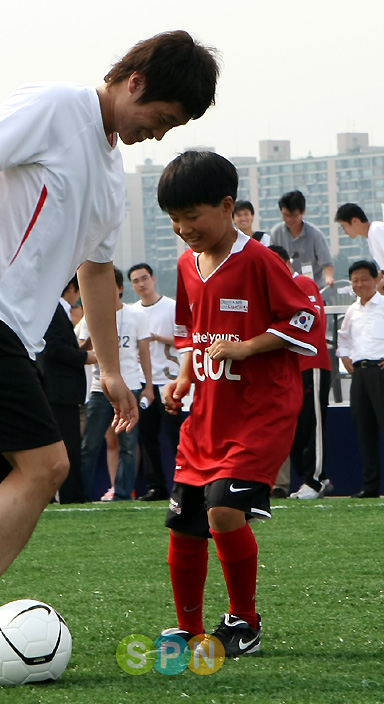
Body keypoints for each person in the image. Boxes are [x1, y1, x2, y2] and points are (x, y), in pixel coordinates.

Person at [0, 30, 219, 682]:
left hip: (1, 327)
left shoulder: (110, 177)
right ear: (134, 81)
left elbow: (96, 274)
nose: (158, 135)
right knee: (48, 466)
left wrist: (109, 369)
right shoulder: (55, 105)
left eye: (174, 128)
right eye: (160, 119)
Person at [157, 151, 320, 657]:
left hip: (260, 412)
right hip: (207, 412)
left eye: (192, 216)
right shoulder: (186, 264)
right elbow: (190, 330)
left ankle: (244, 622)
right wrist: (184, 376)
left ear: (228, 207)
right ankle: (187, 628)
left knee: (224, 511)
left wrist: (247, 347)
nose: (184, 229)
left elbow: (306, 322)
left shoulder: (260, 260)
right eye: (174, 219)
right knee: (184, 520)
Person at [79, 267, 153, 501]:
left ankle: (122, 493)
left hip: (130, 385)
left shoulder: (136, 316)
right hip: (100, 388)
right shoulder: (89, 316)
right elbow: (79, 351)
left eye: (110, 286)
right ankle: (79, 494)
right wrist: (89, 343)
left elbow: (144, 352)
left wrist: (148, 386)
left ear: (120, 289)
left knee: (129, 444)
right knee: (90, 444)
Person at [268, 245, 332, 499]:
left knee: (313, 423)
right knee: (296, 426)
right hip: (289, 369)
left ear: (287, 264)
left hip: (311, 363)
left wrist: (277, 334)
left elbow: (311, 319)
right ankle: (312, 478)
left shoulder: (302, 283)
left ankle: (315, 480)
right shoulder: (275, 292)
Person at [37, 275, 97, 504]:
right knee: (68, 446)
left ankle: (73, 493)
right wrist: (85, 357)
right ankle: (71, 495)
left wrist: (83, 349)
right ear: (72, 287)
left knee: (69, 445)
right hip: (58, 391)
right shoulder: (54, 310)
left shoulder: (57, 311)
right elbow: (52, 348)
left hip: (62, 391)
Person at [128, 263, 184, 501]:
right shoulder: (132, 312)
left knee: (177, 437)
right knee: (147, 437)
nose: (141, 284)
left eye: (144, 279)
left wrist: (156, 337)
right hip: (143, 382)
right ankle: (155, 486)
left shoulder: (171, 307)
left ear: (153, 279)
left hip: (171, 381)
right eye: (136, 281)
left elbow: (184, 339)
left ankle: (184, 484)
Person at [336, 260, 384, 498]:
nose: (360, 284)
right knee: (364, 432)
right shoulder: (352, 310)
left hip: (380, 372)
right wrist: (345, 358)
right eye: (355, 280)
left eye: (364, 279)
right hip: (359, 374)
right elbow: (342, 338)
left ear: (376, 279)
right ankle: (370, 486)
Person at [270, 190, 335, 290]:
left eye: (294, 215)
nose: (289, 219)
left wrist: (329, 279)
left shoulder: (315, 234)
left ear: (303, 212)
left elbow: (327, 264)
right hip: (287, 289)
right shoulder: (276, 233)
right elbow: (271, 263)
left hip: (313, 289)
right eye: (285, 215)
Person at [334, 203, 384, 273]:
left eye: (343, 227)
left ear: (354, 221)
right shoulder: (371, 236)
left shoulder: (377, 229)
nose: (344, 232)